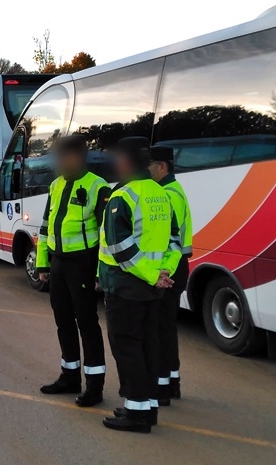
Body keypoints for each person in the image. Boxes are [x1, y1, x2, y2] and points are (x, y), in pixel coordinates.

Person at [98, 137, 180, 433]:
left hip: (126, 287)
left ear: (125, 162)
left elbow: (119, 247)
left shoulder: (123, 196)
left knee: (127, 347)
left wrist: (149, 274)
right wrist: (162, 273)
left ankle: (136, 412)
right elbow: (174, 242)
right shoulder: (161, 194)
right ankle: (147, 406)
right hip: (152, 288)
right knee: (147, 345)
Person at [36, 135, 112, 407]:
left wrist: (100, 272)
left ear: (79, 157)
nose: (62, 162)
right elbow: (46, 226)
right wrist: (42, 264)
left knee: (87, 324)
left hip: (84, 262)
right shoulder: (56, 185)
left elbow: (107, 235)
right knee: (63, 322)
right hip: (58, 264)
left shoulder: (97, 187)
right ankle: (69, 377)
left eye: (67, 157)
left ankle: (95, 386)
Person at [149, 146, 191, 405]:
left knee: (159, 329)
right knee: (165, 328)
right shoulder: (174, 190)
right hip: (176, 266)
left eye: (150, 164)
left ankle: (162, 387)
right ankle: (171, 382)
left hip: (169, 268)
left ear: (162, 166)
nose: (147, 169)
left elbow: (169, 240)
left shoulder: (167, 195)